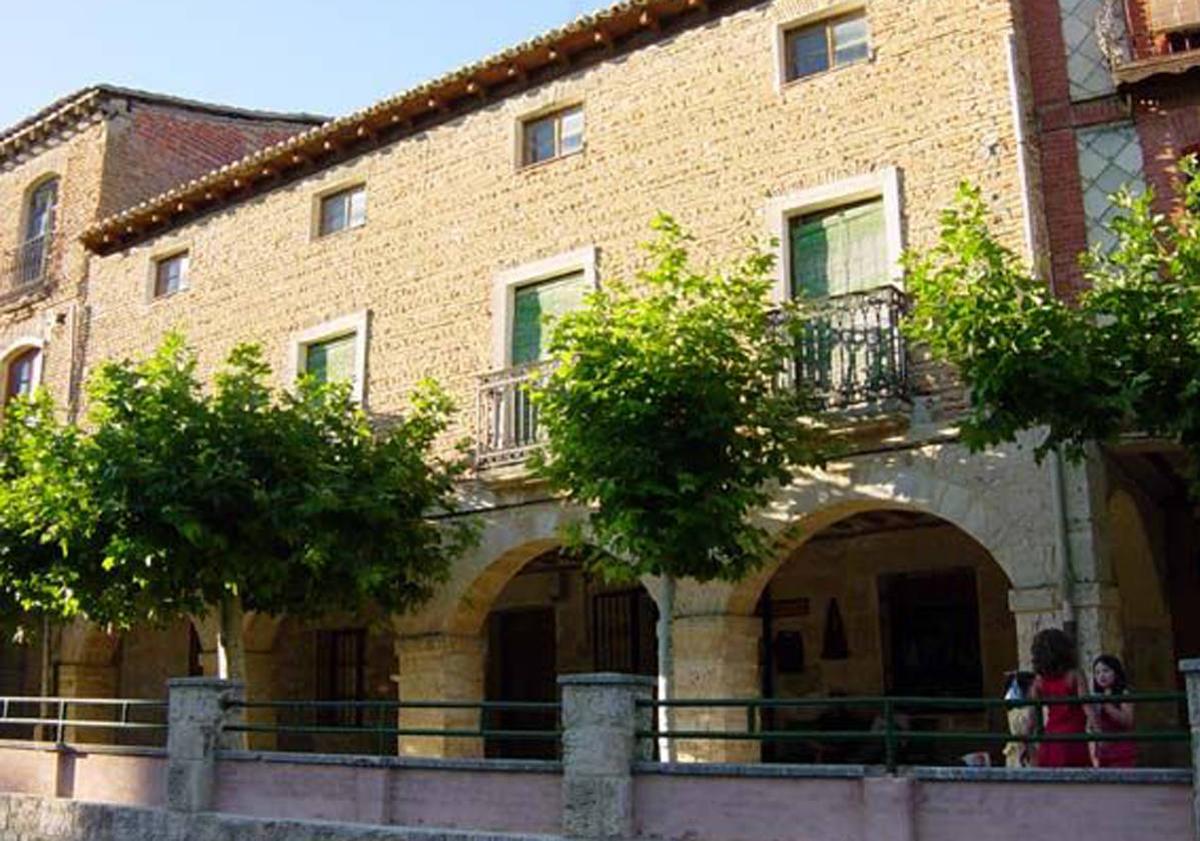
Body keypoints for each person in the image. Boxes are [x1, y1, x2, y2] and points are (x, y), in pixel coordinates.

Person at [1028, 628, 1092, 768]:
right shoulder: (1074, 675)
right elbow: (1087, 706)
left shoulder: (1038, 681)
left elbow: (1031, 716)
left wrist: (1025, 743)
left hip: (1050, 739)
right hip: (1074, 739)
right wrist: (1099, 734)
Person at [1091, 654, 1136, 768]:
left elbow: (1127, 721)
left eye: (1106, 670)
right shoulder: (1096, 696)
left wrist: (1106, 705)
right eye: (1097, 672)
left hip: (1122, 750)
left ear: (1115, 672)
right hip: (1102, 751)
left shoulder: (1123, 693)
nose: (1101, 676)